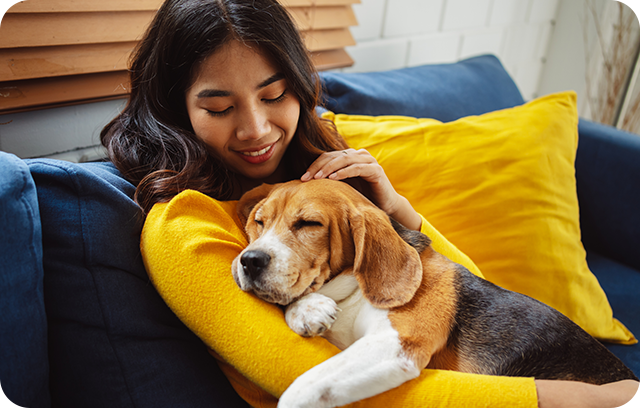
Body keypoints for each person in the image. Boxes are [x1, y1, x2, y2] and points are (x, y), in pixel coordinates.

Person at [101, 0, 640, 407]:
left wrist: (397, 211)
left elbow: (455, 302)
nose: (256, 129)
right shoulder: (183, 223)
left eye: (273, 95)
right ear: (175, 109)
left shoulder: (328, 184)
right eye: (219, 106)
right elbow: (311, 378)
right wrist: (588, 399)